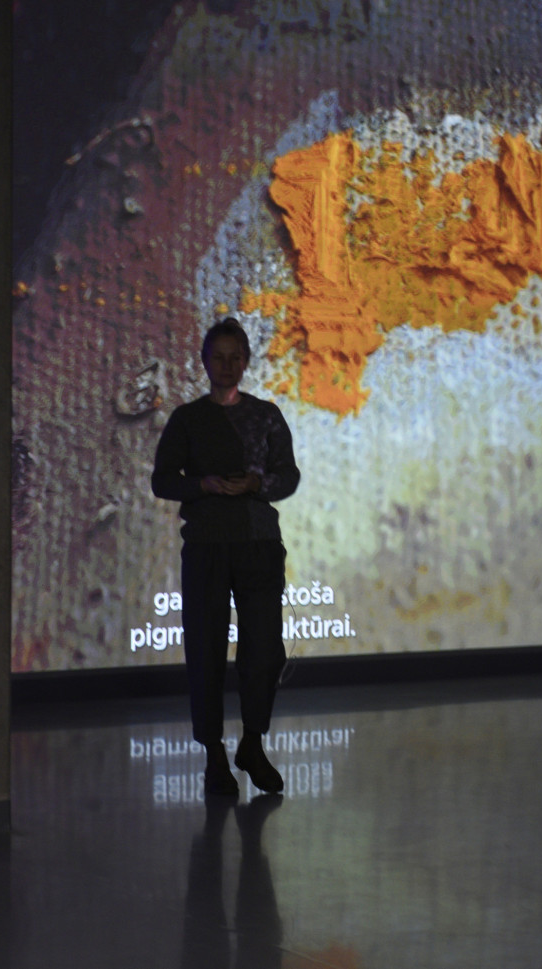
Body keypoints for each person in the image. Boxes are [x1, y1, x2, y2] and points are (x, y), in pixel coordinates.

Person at [152, 318, 300, 795]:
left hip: (259, 543)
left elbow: (289, 476)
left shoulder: (266, 415)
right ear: (204, 362)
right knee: (206, 651)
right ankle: (213, 754)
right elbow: (162, 480)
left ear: (247, 361)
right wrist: (203, 485)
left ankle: (252, 743)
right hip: (206, 546)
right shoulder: (187, 418)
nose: (227, 365)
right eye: (219, 357)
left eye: (236, 357)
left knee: (265, 650)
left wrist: (257, 483)